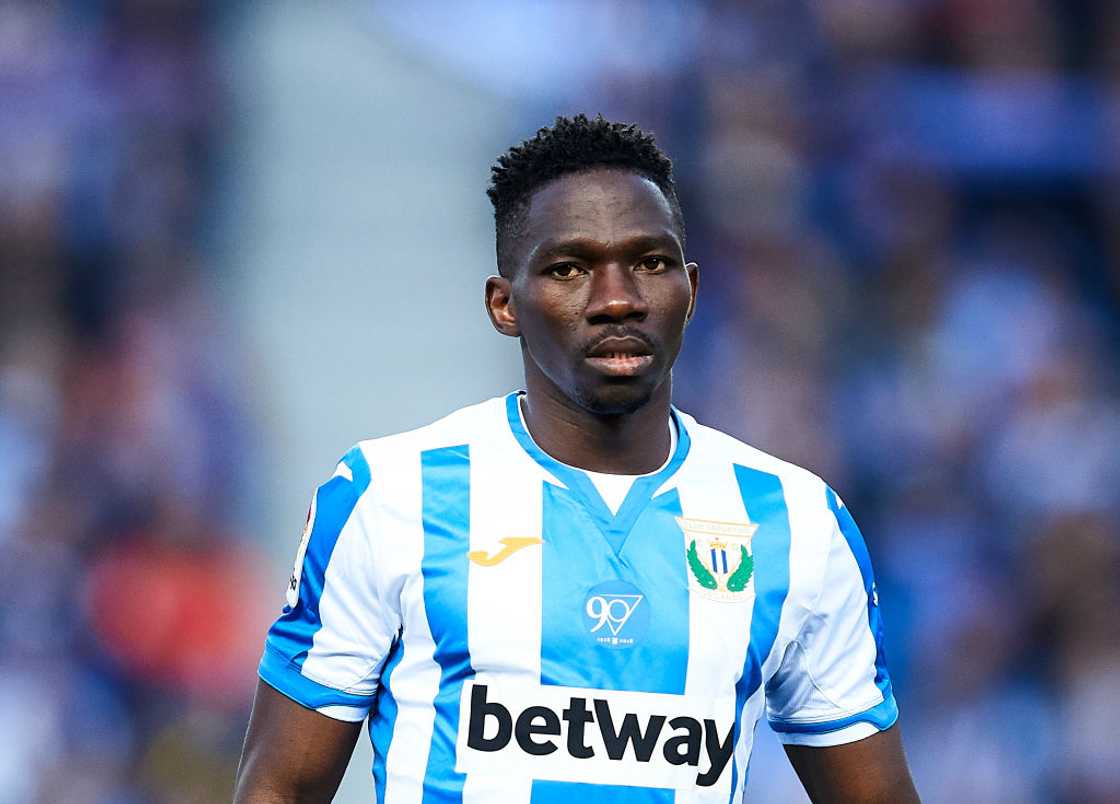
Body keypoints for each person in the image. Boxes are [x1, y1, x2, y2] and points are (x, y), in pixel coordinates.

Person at [233, 114, 920, 803]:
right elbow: (278, 788)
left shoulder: (796, 522)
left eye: (649, 263)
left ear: (691, 291)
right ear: (505, 305)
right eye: (570, 268)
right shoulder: (391, 496)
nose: (617, 299)